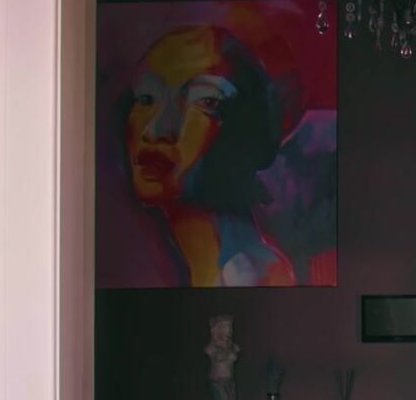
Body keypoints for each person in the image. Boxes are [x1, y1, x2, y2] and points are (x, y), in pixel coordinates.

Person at [122, 26, 297, 286]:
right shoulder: (152, 267)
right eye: (146, 98)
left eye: (205, 101)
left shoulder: (256, 279)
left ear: (248, 128)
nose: (156, 131)